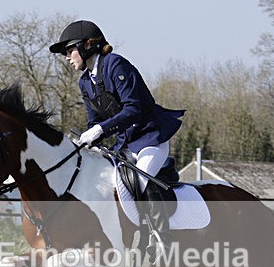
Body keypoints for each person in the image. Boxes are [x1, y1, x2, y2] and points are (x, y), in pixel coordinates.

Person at [50, 20, 185, 253]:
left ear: (88, 45)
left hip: (150, 138)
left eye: (69, 50)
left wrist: (100, 130)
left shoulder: (116, 65)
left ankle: (162, 239)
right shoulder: (85, 82)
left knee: (140, 180)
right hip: (124, 144)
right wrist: (87, 141)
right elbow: (94, 122)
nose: (67, 57)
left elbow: (133, 109)